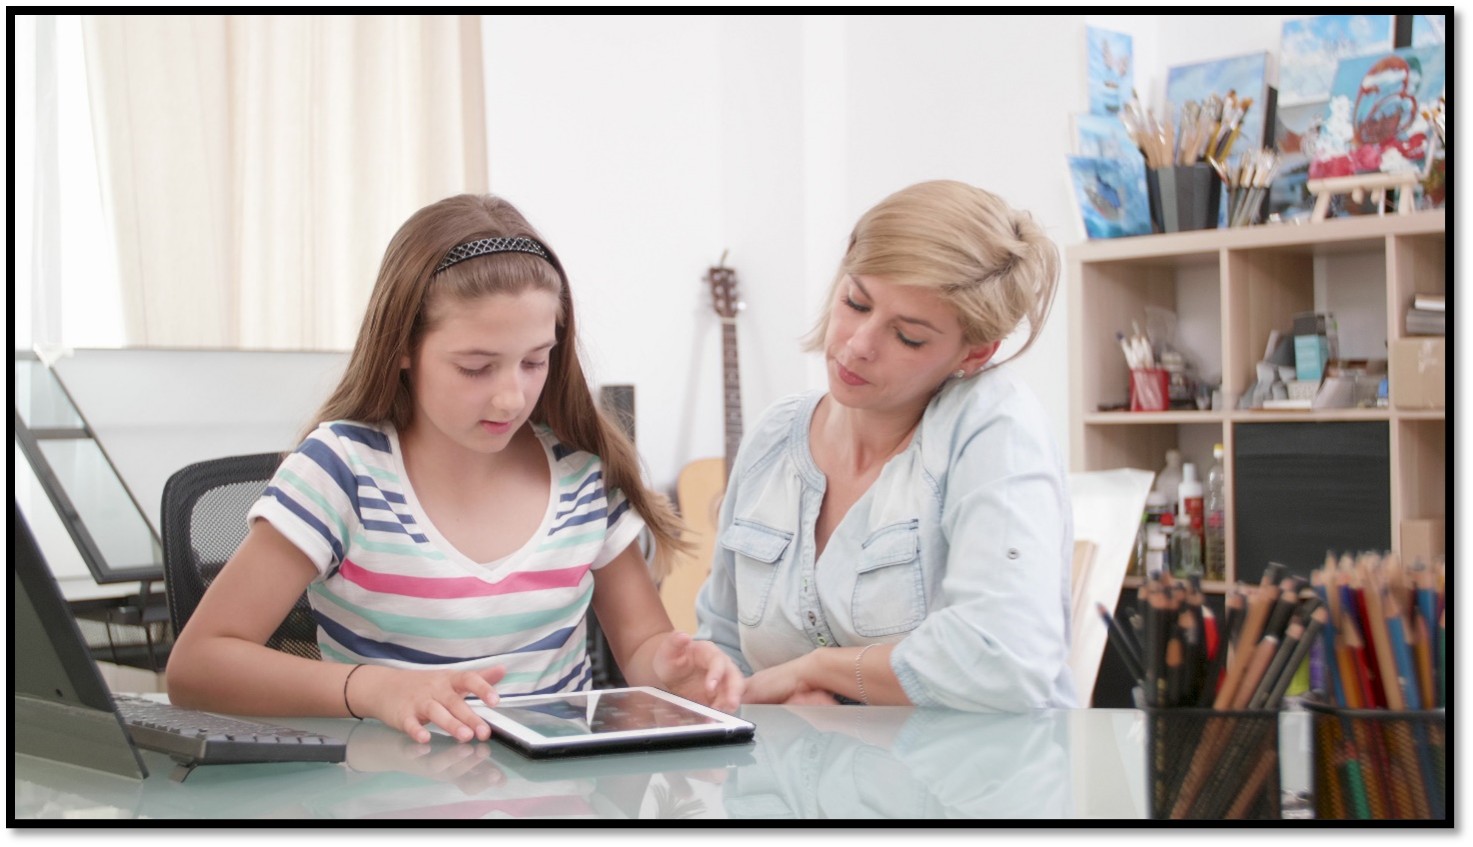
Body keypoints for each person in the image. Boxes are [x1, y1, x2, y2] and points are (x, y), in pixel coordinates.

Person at [168, 194, 743, 743]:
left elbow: (642, 644)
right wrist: (375, 690)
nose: (511, 399)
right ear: (403, 347)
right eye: (476, 367)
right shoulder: (342, 471)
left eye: (534, 361)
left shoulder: (582, 479)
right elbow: (198, 667)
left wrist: (672, 671)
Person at [694, 180, 1076, 711]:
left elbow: (1002, 658)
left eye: (908, 336)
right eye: (855, 302)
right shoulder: (772, 438)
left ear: (976, 352)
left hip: (964, 790)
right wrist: (739, 695)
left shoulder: (995, 429)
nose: (857, 344)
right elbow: (722, 642)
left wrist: (821, 673)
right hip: (783, 788)